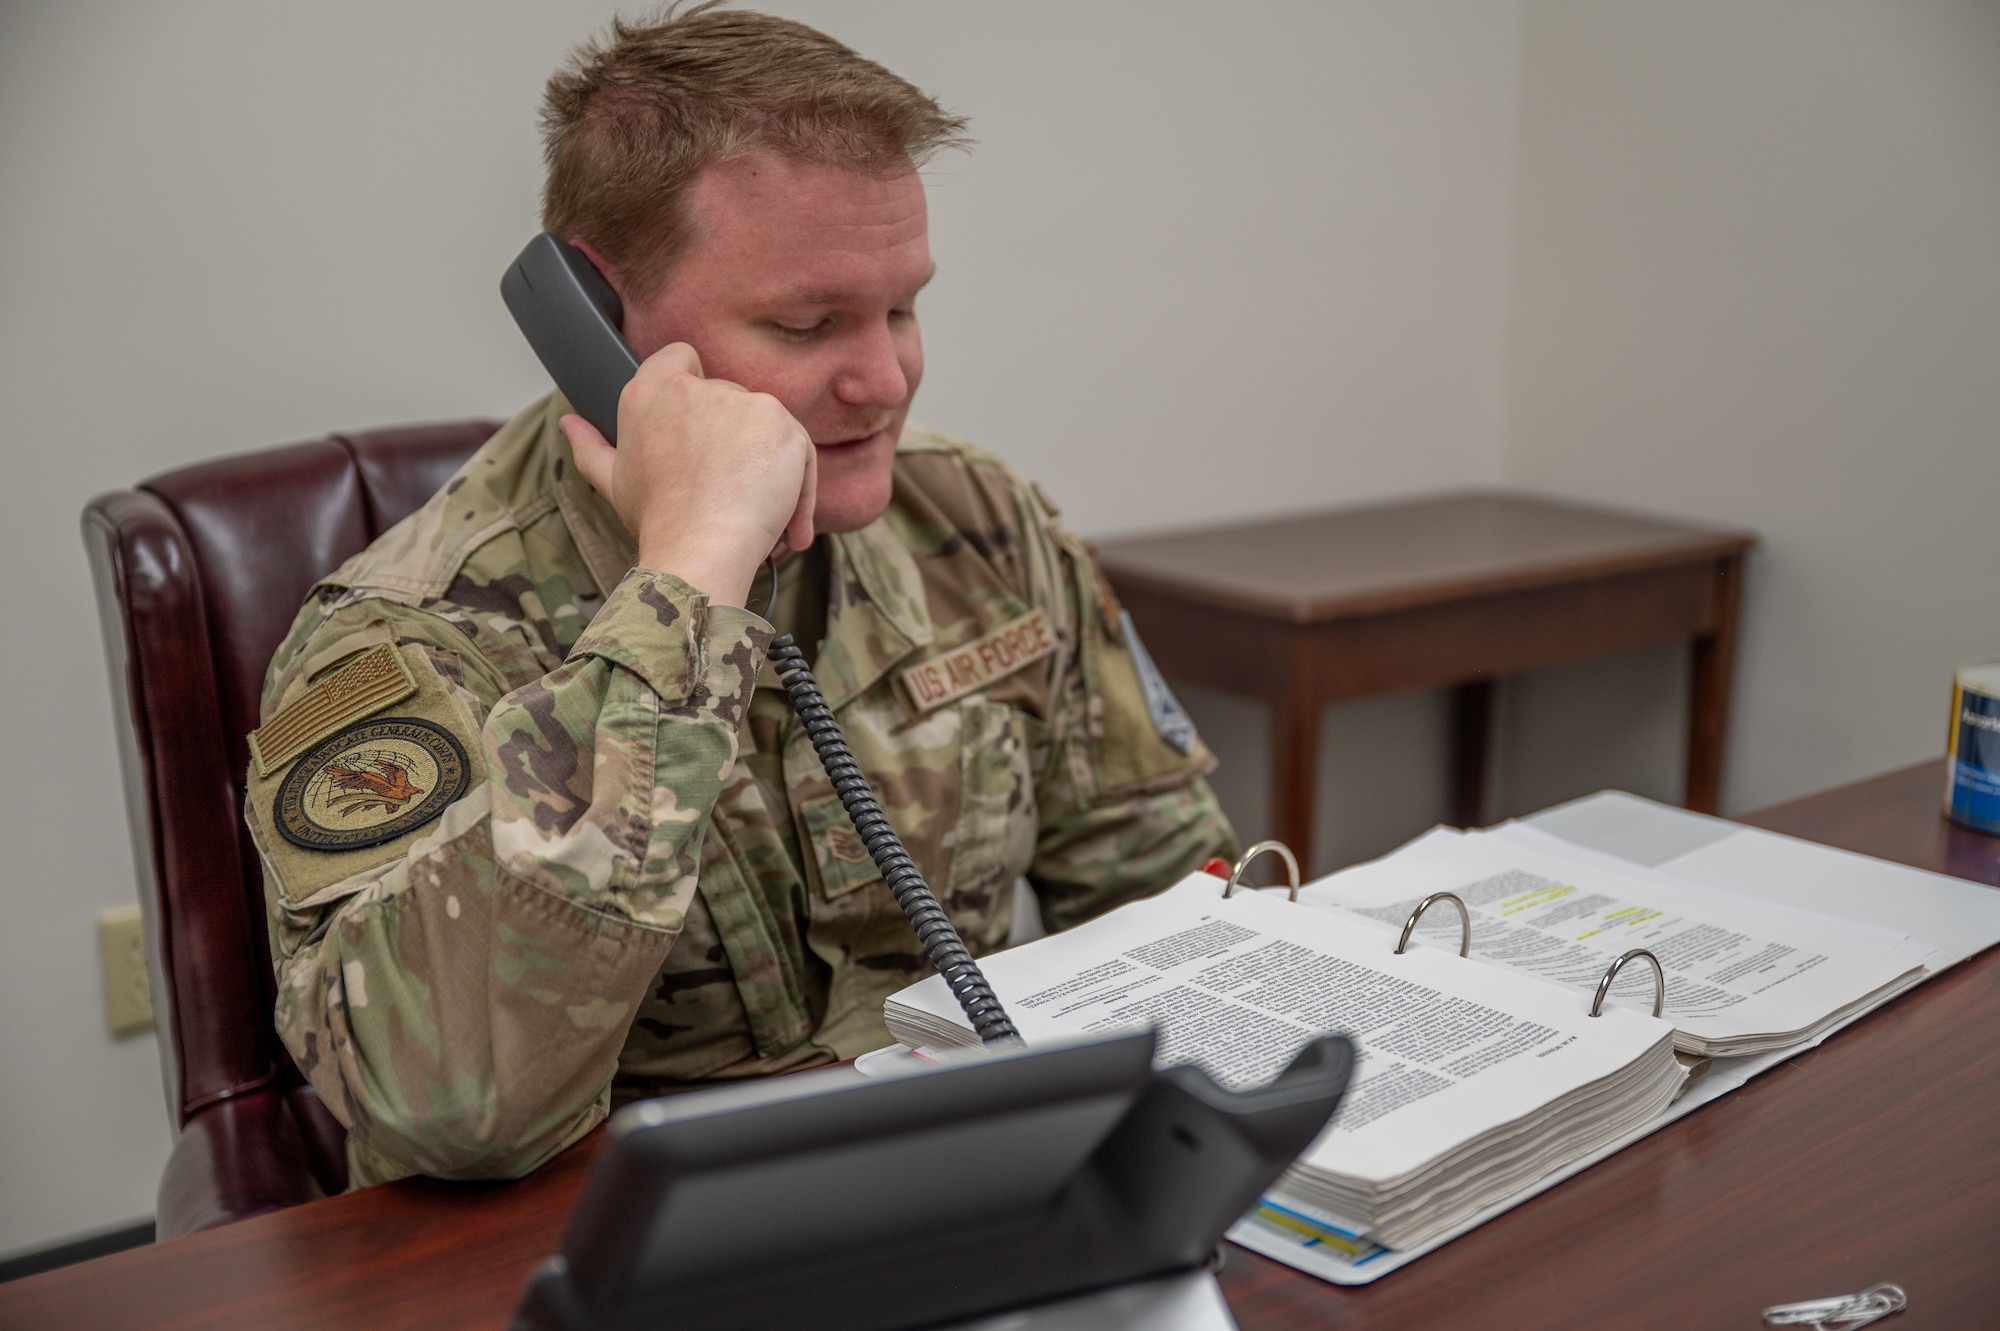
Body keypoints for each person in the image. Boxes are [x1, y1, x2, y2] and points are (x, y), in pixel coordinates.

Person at [246, 3, 1236, 1189]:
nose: (886, 378)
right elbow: (450, 1105)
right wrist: (691, 574)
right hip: (604, 1254)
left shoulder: (978, 522)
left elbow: (1168, 894)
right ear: (598, 323)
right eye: (807, 323)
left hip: (961, 1197)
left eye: (903, 306)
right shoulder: (404, 637)